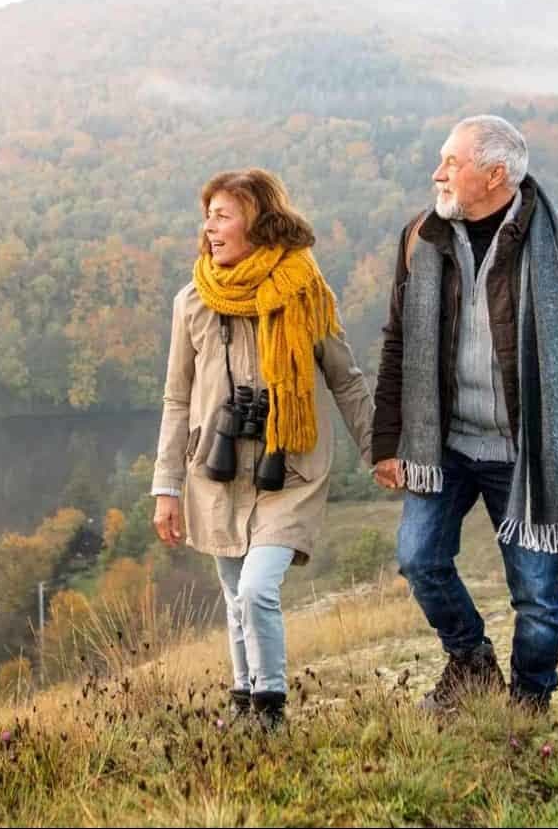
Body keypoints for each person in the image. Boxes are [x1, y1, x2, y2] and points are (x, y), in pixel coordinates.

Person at [372, 115, 558, 714]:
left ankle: (529, 708)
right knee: (419, 559)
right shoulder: (422, 237)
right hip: (446, 444)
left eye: (451, 163)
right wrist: (388, 441)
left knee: (538, 596)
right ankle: (470, 662)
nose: (437, 173)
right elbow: (398, 343)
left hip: (528, 453)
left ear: (495, 176)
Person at [151, 168, 375, 729]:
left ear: (257, 222)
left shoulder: (305, 296)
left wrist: (379, 451)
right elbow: (176, 399)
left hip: (289, 469)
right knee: (234, 595)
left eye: (222, 216)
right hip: (216, 470)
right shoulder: (193, 302)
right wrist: (166, 487)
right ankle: (243, 699)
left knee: (255, 590)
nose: (209, 229)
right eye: (208, 217)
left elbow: (345, 379)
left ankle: (270, 709)